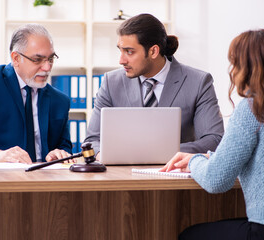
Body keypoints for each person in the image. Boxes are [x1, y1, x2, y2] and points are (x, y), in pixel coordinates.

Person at [160, 29, 264, 240]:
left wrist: (195, 160)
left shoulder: (253, 109)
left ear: (246, 68)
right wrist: (210, 158)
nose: (231, 69)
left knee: (189, 235)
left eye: (234, 63)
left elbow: (216, 181)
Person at [84, 13, 224, 158]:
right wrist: (103, 154)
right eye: (120, 50)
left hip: (174, 175)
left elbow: (214, 139)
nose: (121, 60)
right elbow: (93, 140)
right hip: (122, 175)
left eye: (129, 52)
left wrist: (156, 152)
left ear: (153, 51)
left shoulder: (198, 82)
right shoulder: (111, 82)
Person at [0, 24, 72, 164]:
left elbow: (64, 146)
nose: (47, 67)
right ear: (16, 58)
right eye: (37, 59)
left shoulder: (60, 100)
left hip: (45, 180)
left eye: (51, 59)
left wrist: (59, 154)